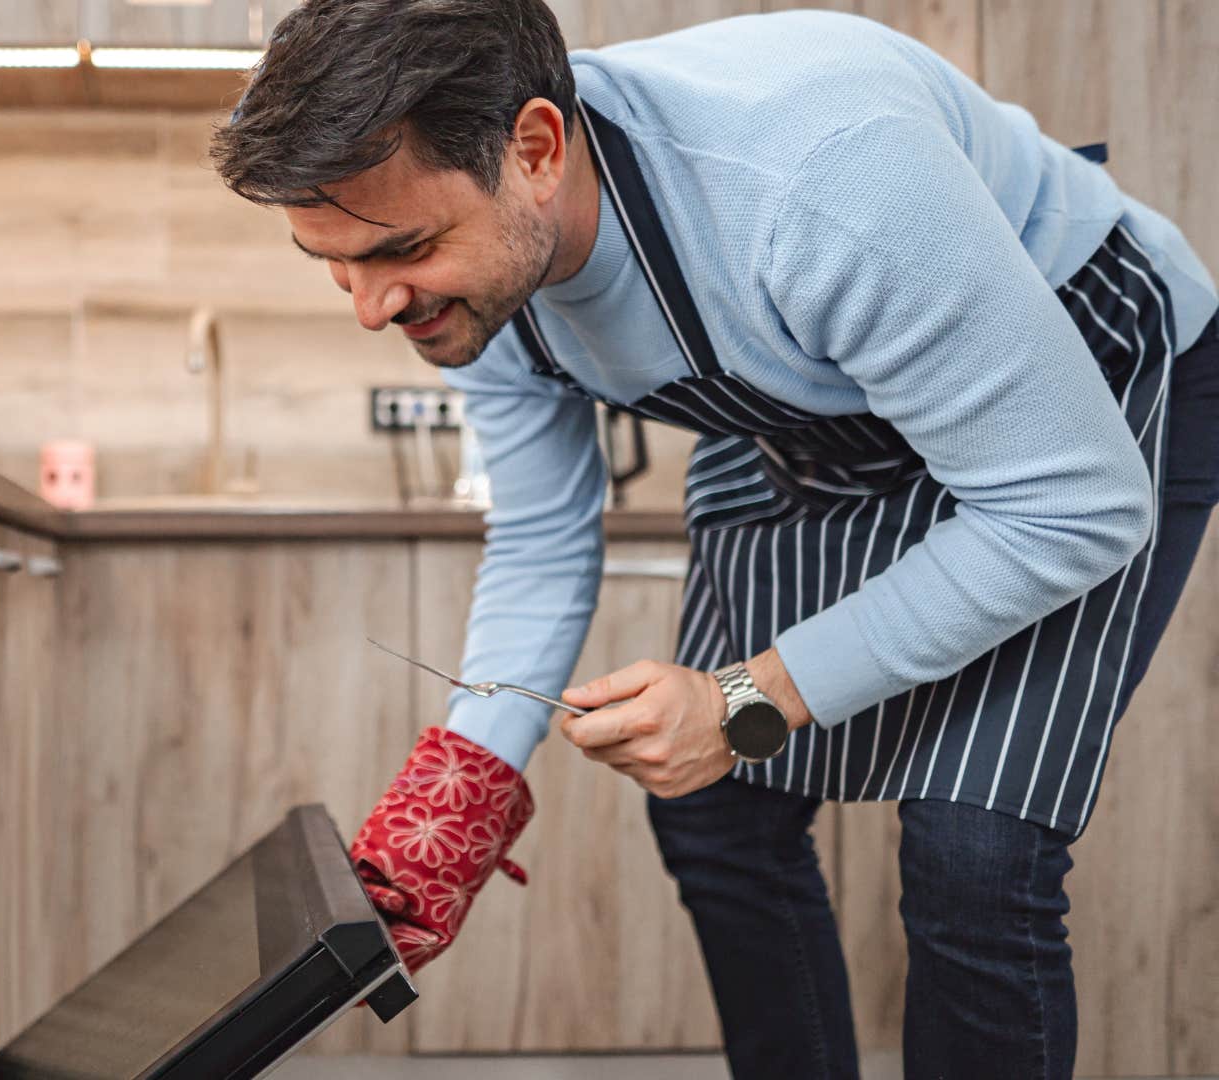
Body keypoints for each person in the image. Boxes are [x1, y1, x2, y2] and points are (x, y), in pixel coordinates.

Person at [208, 3, 1219, 1077]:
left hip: (1069, 398)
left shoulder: (818, 187)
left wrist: (749, 699)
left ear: (537, 150)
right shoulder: (472, 282)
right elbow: (548, 536)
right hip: (820, 407)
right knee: (720, 809)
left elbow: (1067, 508)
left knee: (974, 849)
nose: (371, 307)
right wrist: (463, 788)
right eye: (335, 263)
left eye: (402, 250)